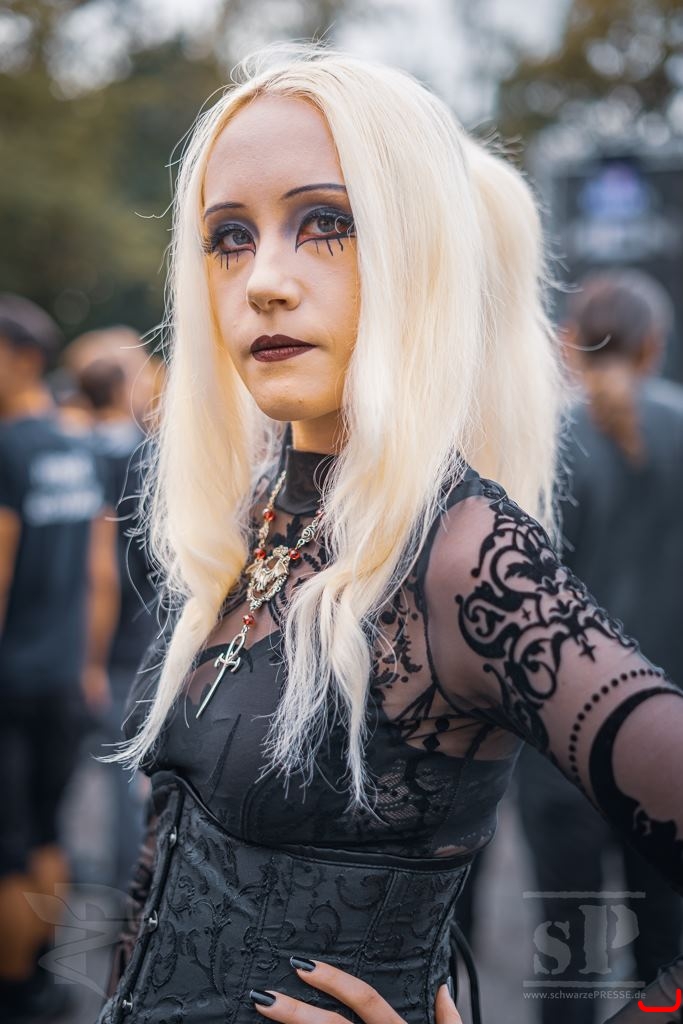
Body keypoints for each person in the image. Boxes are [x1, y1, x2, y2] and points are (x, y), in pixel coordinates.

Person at [95, 46, 683, 1024]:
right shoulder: (249, 523)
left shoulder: (463, 555)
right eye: (228, 237)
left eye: (325, 223)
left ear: (417, 251)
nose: (263, 280)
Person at [516, 270, 683, 1022]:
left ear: (568, 344)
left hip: (563, 755)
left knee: (567, 963)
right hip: (670, 745)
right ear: (654, 345)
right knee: (667, 960)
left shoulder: (540, 447)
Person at [0, 294, 118, 1022]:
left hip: (10, 681)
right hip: (66, 676)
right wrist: (90, 665)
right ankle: (44, 980)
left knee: (8, 849)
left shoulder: (6, 449)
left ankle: (13, 993)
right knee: (49, 829)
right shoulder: (79, 447)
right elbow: (100, 576)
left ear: (23, 358)